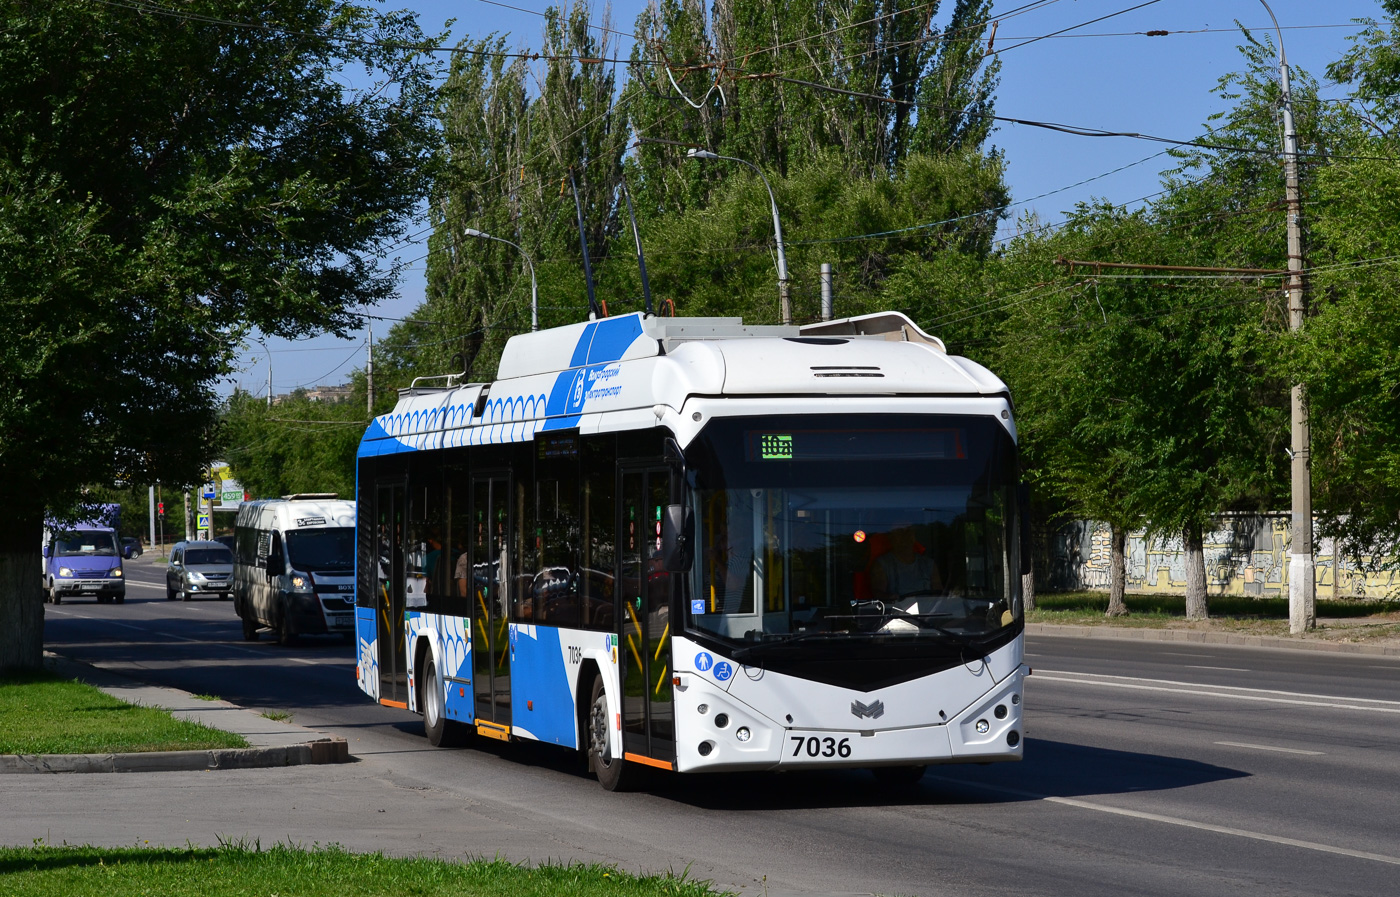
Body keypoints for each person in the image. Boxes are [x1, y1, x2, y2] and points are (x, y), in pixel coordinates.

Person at [870, 523, 940, 601]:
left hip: (929, 611)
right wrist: (891, 598)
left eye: (909, 531)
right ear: (891, 537)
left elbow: (939, 595)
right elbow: (878, 594)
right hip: (896, 611)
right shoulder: (882, 565)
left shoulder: (928, 564)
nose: (905, 536)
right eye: (900, 532)